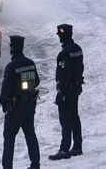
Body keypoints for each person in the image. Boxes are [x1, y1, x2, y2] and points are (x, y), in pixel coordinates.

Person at [0, 35, 40, 169]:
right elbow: (37, 81)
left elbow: (5, 89)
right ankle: (35, 164)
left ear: (12, 48)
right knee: (30, 135)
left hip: (15, 108)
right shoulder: (30, 63)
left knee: (9, 139)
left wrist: (3, 102)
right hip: (29, 105)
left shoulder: (12, 66)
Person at [48, 23, 84, 160]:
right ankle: (77, 146)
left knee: (65, 119)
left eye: (60, 35)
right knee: (74, 116)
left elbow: (63, 74)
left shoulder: (64, 53)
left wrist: (62, 92)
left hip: (67, 90)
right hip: (76, 88)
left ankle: (64, 149)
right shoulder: (78, 49)